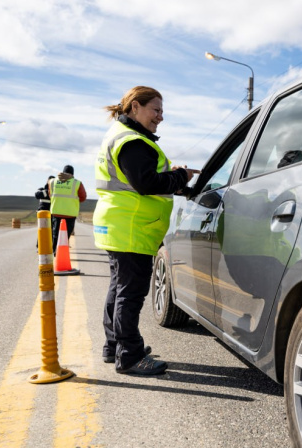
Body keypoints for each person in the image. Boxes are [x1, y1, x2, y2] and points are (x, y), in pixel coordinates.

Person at [93, 86, 199, 375]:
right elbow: (146, 183)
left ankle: (114, 346)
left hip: (120, 224)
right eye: (156, 110)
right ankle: (129, 355)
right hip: (131, 227)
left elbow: (144, 180)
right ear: (135, 107)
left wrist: (171, 178)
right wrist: (181, 175)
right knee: (130, 293)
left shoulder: (121, 135)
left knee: (119, 288)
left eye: (162, 111)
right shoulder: (133, 141)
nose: (160, 117)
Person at [49, 165, 87, 254]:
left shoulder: (52, 181)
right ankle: (61, 253)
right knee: (66, 235)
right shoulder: (77, 183)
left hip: (56, 211)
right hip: (70, 213)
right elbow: (83, 197)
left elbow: (50, 194)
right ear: (73, 173)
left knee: (55, 233)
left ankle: (54, 251)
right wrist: (73, 201)